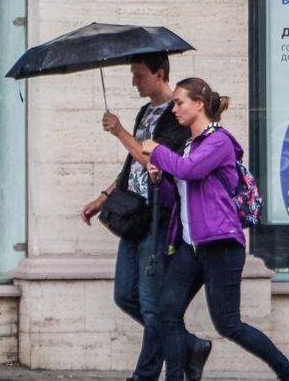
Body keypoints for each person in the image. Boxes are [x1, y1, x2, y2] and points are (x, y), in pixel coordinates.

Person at [132, 77, 289, 381]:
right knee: (167, 313)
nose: (174, 109)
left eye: (179, 102)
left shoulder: (219, 141)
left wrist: (158, 151)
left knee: (228, 324)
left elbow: (190, 171)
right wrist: (158, 178)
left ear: (199, 104)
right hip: (191, 246)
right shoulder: (187, 147)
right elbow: (176, 199)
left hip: (220, 245)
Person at [80, 54, 211, 381]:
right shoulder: (144, 111)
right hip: (133, 215)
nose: (134, 81)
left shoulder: (176, 115)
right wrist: (103, 198)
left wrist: (119, 131)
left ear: (159, 74)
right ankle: (190, 345)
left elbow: (155, 159)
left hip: (158, 218)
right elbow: (132, 164)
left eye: (139, 75)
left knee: (153, 306)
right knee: (125, 296)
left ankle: (145, 376)